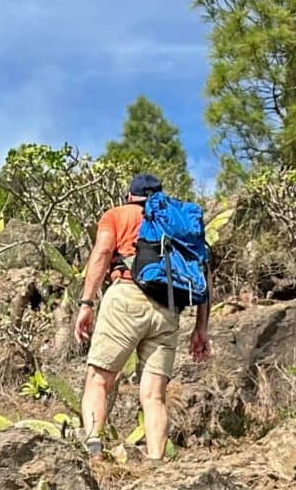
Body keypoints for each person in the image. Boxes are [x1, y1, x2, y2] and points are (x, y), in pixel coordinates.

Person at [76, 171, 210, 463]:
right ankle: (156, 462)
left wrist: (86, 303)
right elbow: (204, 272)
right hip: (168, 307)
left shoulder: (117, 215)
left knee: (99, 380)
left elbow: (101, 253)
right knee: (154, 396)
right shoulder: (176, 221)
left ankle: (94, 452)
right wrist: (201, 327)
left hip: (126, 297)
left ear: (130, 196)